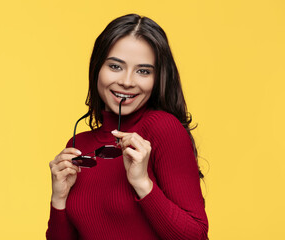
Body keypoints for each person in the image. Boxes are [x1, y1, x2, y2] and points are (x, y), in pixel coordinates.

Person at [46, 14, 208, 240]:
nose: (127, 81)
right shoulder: (78, 146)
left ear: (157, 78)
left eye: (143, 71)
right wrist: (59, 200)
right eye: (115, 66)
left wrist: (142, 183)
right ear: (97, 68)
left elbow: (197, 236)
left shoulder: (162, 129)